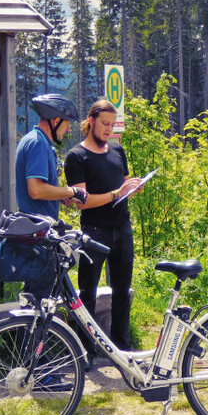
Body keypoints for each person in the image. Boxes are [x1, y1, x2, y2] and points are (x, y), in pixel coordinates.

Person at [64, 100, 143, 351]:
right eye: (105, 124)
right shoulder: (76, 156)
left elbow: (125, 187)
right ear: (91, 122)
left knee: (123, 291)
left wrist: (133, 188)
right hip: (93, 232)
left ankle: (122, 347)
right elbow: (82, 203)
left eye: (112, 124)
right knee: (87, 294)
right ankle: (82, 351)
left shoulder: (118, 150)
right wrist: (115, 193)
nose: (109, 129)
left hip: (122, 228)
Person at [14, 94, 86, 301]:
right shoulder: (37, 144)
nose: (69, 129)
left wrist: (60, 196)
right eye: (67, 124)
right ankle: (31, 334)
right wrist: (71, 191)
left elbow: (43, 190)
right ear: (55, 121)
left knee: (40, 297)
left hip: (39, 232)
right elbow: (36, 190)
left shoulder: (37, 141)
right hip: (39, 234)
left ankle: (38, 334)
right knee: (38, 299)